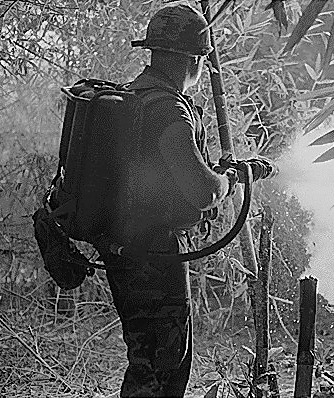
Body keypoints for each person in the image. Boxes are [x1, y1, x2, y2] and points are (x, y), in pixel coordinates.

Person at [102, 4, 238, 397]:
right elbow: (203, 190)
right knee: (162, 372)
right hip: (155, 254)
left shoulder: (136, 94)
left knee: (144, 360)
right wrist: (230, 180)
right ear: (192, 59)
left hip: (125, 247)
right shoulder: (166, 108)